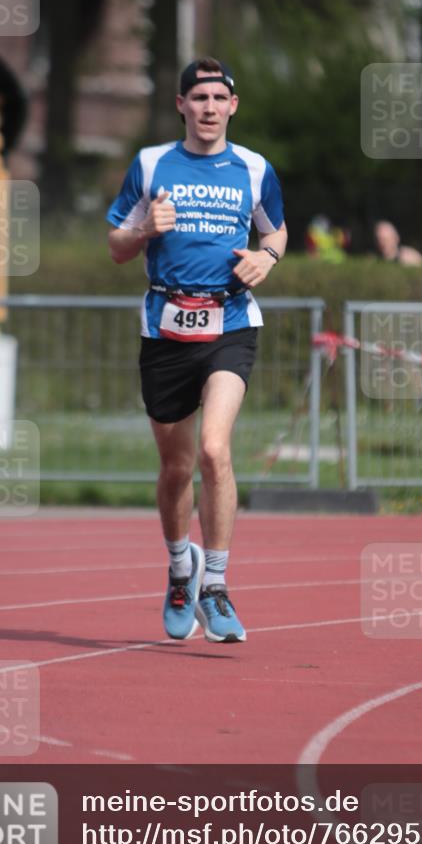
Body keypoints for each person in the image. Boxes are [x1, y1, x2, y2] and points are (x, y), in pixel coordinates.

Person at [106, 57, 287, 644]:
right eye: (199, 98)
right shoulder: (152, 164)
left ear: (234, 106)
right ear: (181, 104)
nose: (209, 108)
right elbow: (115, 246)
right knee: (177, 466)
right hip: (165, 328)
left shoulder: (255, 168)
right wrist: (142, 232)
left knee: (214, 450)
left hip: (231, 322)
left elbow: (275, 228)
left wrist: (270, 256)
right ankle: (179, 567)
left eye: (219, 98)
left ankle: (215, 584)